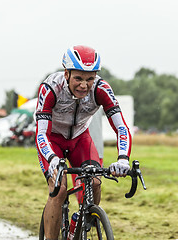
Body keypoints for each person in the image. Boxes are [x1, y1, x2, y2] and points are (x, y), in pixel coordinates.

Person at [35, 45, 131, 239]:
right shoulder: (51, 88)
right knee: (59, 188)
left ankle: (79, 221)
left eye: (90, 79)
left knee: (95, 181)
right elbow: (41, 133)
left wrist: (123, 159)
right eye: (78, 78)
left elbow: (121, 128)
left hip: (80, 138)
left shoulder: (101, 89)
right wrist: (52, 158)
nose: (84, 85)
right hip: (52, 140)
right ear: (67, 74)